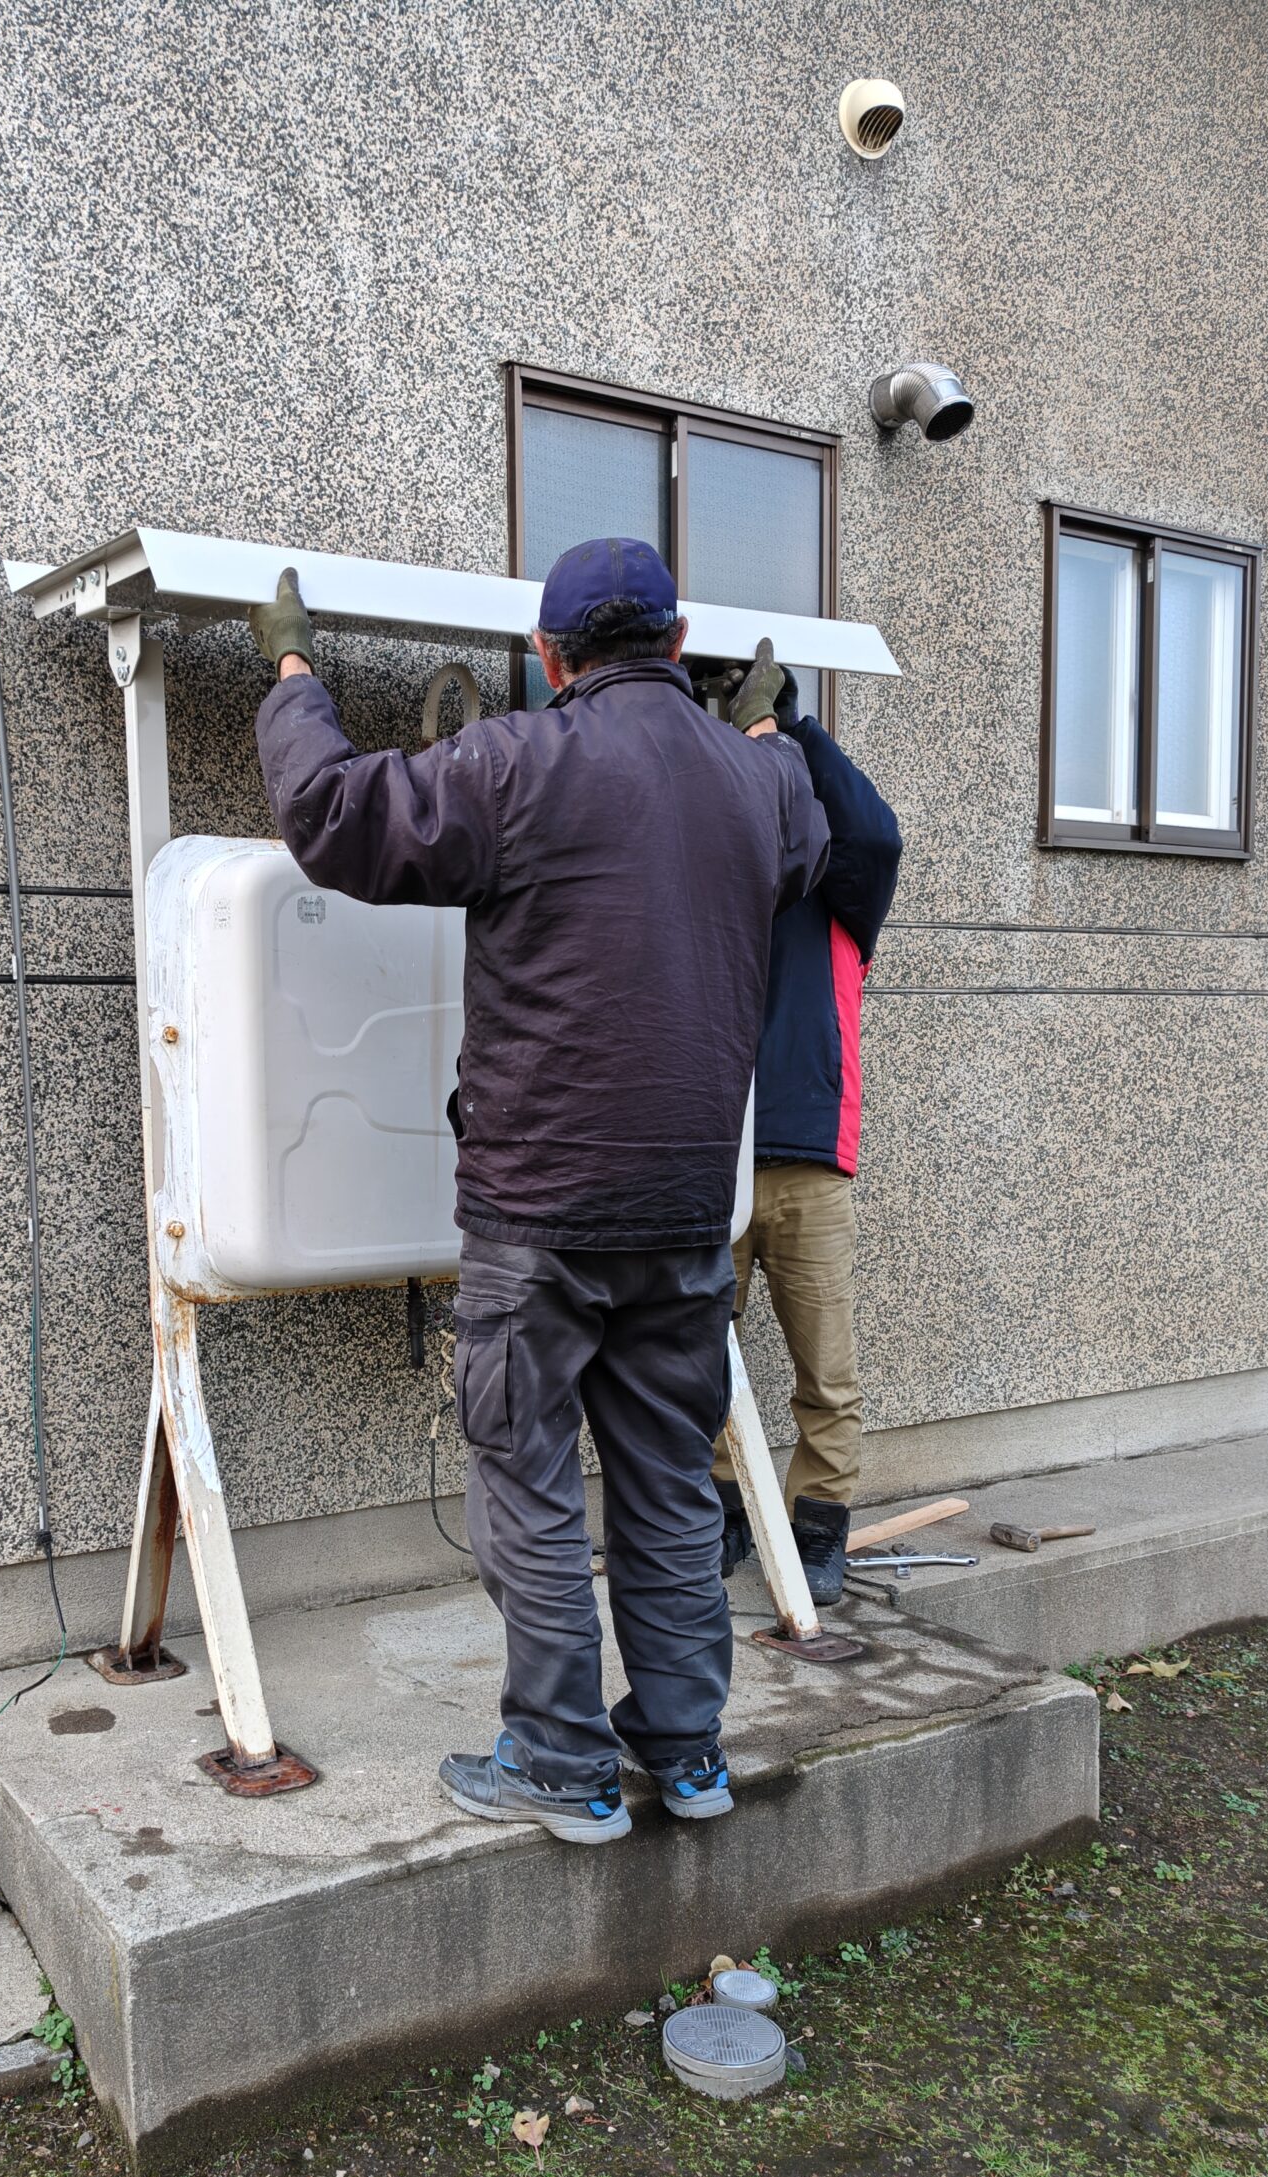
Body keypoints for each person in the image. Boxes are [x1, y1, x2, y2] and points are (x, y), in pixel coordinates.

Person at [247, 539, 828, 1846]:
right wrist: (760, 728)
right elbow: (803, 822)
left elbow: (332, 813)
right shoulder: (760, 780)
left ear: (550, 660)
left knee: (529, 1480)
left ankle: (562, 1764)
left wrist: (291, 673)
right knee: (671, 1483)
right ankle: (686, 1752)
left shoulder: (513, 763)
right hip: (688, 1211)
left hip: (542, 1212)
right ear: (678, 645)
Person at [706, 662, 902, 1606]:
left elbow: (875, 830)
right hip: (713, 1156)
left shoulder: (843, 889)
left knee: (827, 1372)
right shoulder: (722, 886)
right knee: (699, 1359)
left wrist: (795, 729)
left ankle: (818, 1530)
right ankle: (720, 1518)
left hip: (810, 1160)